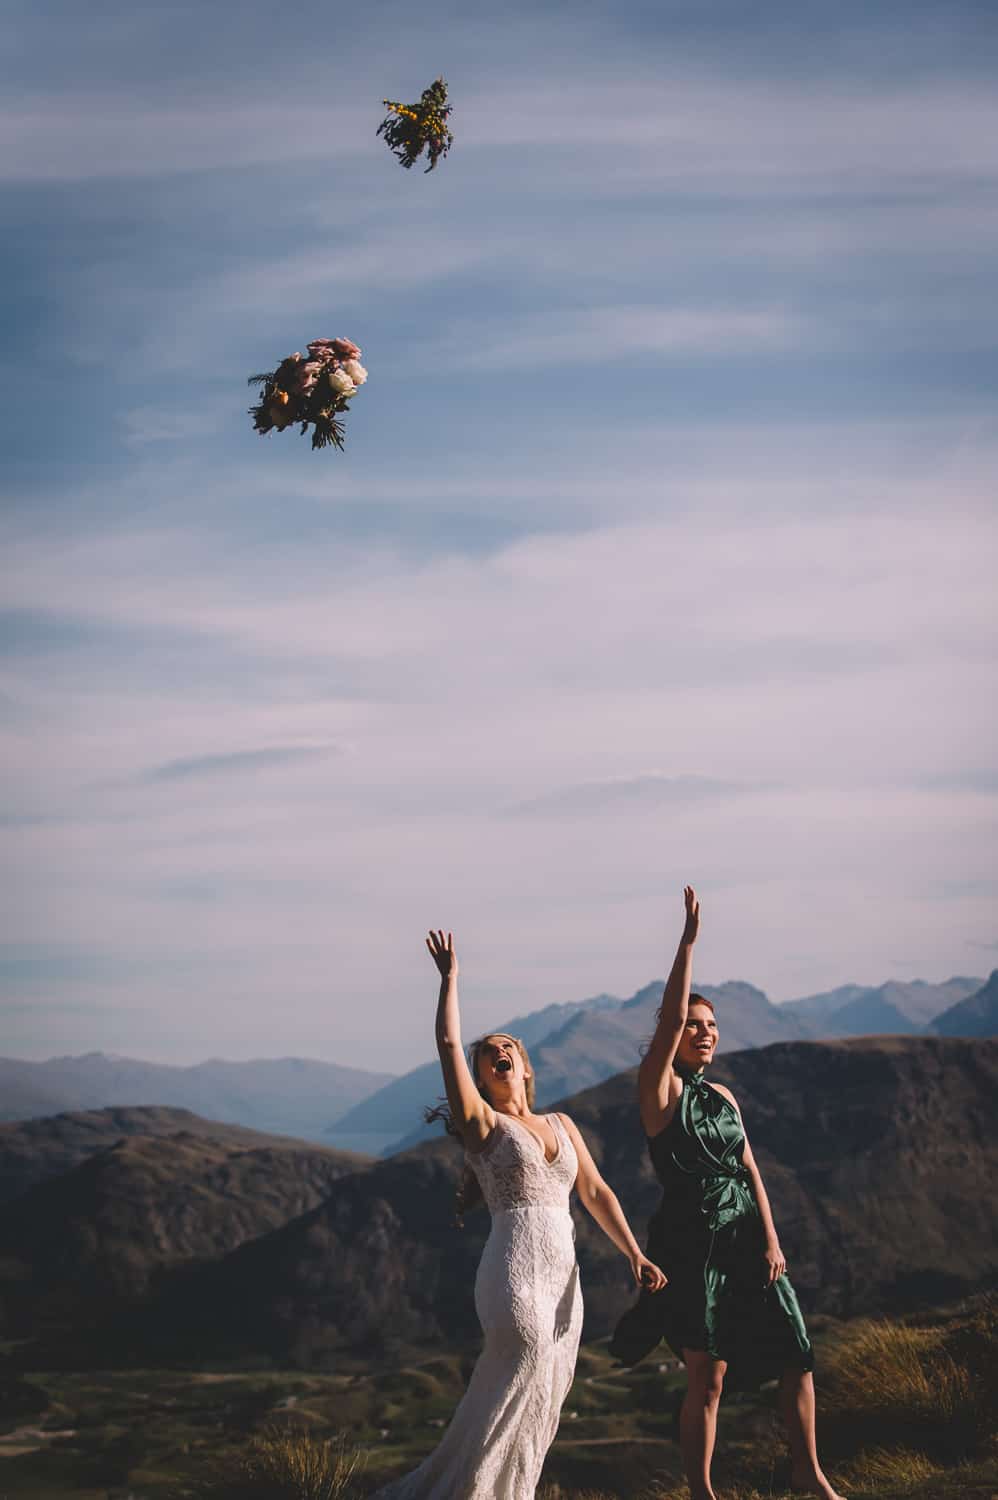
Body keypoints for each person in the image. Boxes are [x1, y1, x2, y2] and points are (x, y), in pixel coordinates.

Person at [374, 929, 666, 1500]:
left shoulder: (562, 1125)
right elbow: (446, 1046)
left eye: (507, 1048)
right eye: (488, 1055)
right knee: (526, 1359)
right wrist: (450, 981)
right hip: (513, 1269)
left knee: (548, 1386)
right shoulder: (485, 1127)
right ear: (481, 1077)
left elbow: (597, 1192)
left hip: (564, 1277)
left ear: (525, 1067)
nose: (498, 1054)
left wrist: (634, 1252)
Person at [610, 888, 844, 1500]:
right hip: (695, 1247)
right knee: (708, 1379)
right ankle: (702, 1492)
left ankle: (808, 1473)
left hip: (747, 1237)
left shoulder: (724, 1097)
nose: (705, 1034)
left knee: (797, 1351)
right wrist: (687, 943)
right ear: (674, 1034)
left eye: (712, 1026)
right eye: (693, 1026)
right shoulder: (659, 1094)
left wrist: (772, 1239)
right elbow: (666, 1023)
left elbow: (750, 1169)